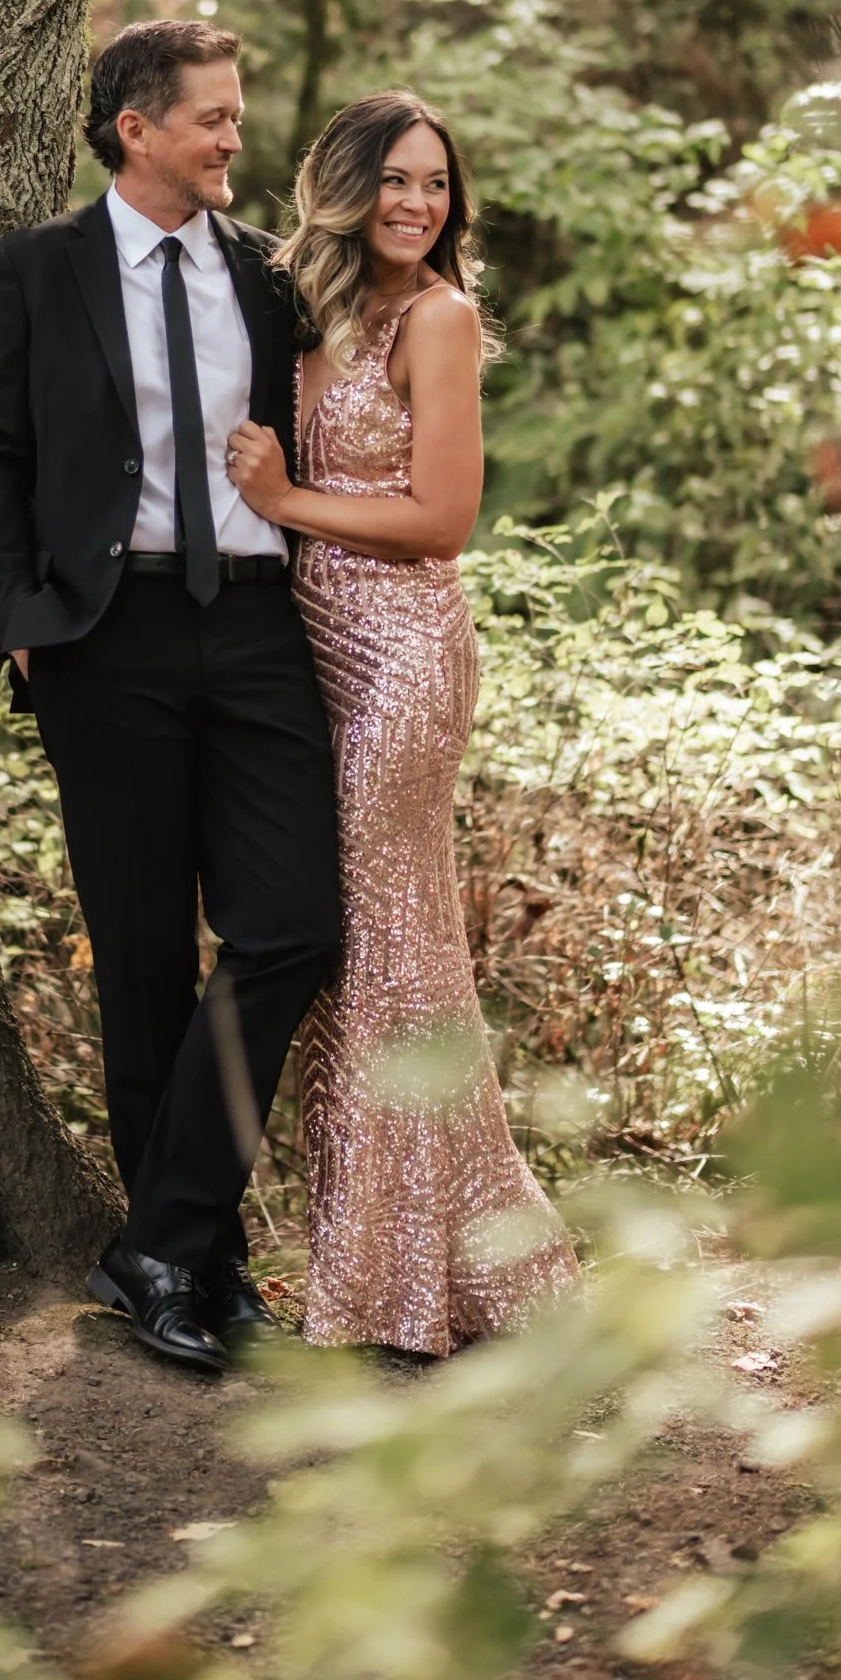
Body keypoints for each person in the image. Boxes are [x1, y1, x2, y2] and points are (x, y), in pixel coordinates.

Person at [0, 20, 342, 1376]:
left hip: (249, 627)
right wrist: (19, 620)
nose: (235, 138)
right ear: (135, 128)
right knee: (137, 965)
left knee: (290, 926)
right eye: (212, 119)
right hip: (100, 640)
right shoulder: (37, 273)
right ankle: (201, 1266)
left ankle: (158, 1242)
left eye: (235, 116)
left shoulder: (264, 276)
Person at [227, 91, 578, 1355]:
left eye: (434, 184)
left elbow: (441, 520)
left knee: (390, 953)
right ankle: (416, 1266)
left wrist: (286, 497)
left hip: (402, 657)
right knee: (358, 952)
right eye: (393, 181)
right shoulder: (312, 310)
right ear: (345, 187)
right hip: (302, 657)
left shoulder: (439, 316)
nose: (415, 203)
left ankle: (401, 1293)